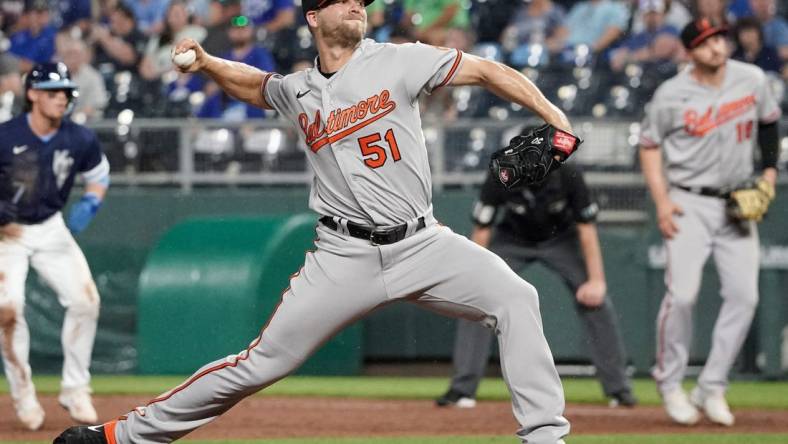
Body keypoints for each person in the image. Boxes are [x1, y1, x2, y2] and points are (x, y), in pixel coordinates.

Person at [55, 0, 578, 442]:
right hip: (342, 255)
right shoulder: (300, 89)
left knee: (517, 298)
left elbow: (488, 70)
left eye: (361, 0)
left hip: (423, 243)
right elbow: (259, 86)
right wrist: (209, 62)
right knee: (259, 364)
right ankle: (120, 436)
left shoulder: (400, 60)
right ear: (311, 17)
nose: (356, 5)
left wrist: (555, 118)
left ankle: (545, 436)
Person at [639, 19, 781, 426]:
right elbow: (649, 147)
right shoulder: (671, 95)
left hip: (737, 201)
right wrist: (662, 201)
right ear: (689, 53)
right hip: (688, 200)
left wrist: (769, 173)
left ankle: (712, 386)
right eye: (704, 43)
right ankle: (670, 384)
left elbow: (769, 124)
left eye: (719, 38)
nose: (716, 48)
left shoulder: (752, 78)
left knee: (745, 297)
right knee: (681, 296)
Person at [436, 143, 637, 409]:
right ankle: (462, 389)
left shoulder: (569, 174)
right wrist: (474, 278)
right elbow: (482, 230)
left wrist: (596, 280)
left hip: (561, 239)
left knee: (596, 300)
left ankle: (619, 389)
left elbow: (586, 230)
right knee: (477, 300)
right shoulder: (501, 175)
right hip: (511, 239)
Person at [0, 62, 110, 431]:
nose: (61, 97)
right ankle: (24, 393)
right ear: (32, 94)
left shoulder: (79, 137)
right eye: (53, 91)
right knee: (8, 310)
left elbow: (98, 176)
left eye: (65, 92)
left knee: (86, 301)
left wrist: (92, 202)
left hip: (49, 226)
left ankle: (76, 389)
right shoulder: (5, 135)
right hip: (6, 234)